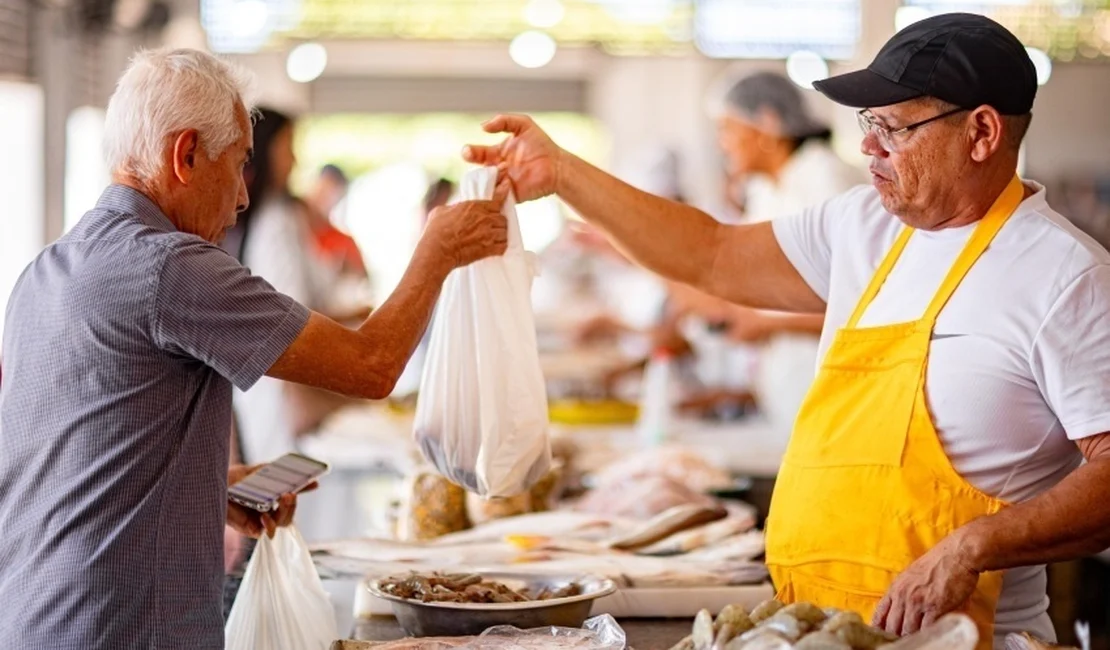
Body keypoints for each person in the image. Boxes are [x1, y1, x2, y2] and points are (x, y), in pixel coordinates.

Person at [465, 13, 1110, 648]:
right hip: (814, 632)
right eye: (867, 123)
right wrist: (564, 174)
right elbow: (708, 253)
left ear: (982, 132)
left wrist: (974, 546)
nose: (868, 146)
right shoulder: (863, 228)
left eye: (893, 126)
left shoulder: (1064, 275)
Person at [0, 47, 507, 649]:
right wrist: (437, 250)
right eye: (239, 164)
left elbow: (65, 460)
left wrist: (207, 488)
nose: (243, 197)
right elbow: (372, 366)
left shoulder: (46, 269)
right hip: (121, 627)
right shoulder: (172, 266)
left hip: (33, 614)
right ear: (186, 155)